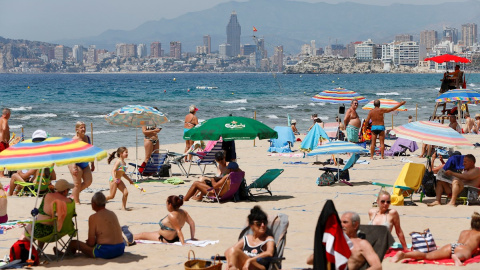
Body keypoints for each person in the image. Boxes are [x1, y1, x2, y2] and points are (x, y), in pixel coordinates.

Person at [392, 212, 480, 266]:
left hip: (451, 246)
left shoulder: (463, 231)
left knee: (427, 255)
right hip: (464, 248)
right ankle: (457, 257)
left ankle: (404, 255)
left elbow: (459, 243)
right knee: (463, 255)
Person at [306, 211, 381, 270]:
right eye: (340, 222)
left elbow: (377, 266)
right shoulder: (334, 240)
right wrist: (325, 246)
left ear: (355, 225)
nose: (341, 225)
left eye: (345, 222)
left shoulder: (362, 244)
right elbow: (309, 261)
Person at [64, 192, 125, 259]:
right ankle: (67, 254)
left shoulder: (93, 217)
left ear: (94, 204)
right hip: (120, 248)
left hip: (107, 251)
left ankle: (66, 255)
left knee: (74, 243)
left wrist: (88, 243)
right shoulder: (112, 213)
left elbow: (91, 242)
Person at [24, 179, 74, 247]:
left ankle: (24, 249)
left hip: (47, 232)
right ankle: (37, 250)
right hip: (63, 230)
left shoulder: (48, 196)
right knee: (39, 223)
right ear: (65, 191)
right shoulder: (71, 202)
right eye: (69, 190)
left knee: (31, 226)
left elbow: (43, 212)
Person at [225, 206, 275, 270]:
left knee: (234, 251)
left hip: (259, 267)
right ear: (251, 225)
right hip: (244, 267)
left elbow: (269, 253)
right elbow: (228, 251)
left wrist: (250, 260)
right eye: (259, 224)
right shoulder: (247, 238)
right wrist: (229, 261)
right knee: (232, 252)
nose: (262, 225)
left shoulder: (268, 239)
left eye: (264, 223)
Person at [68, 121, 94, 204]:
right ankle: (76, 201)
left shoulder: (87, 138)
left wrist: (92, 163)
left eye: (84, 127)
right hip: (75, 163)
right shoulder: (74, 140)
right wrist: (74, 167)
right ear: (77, 129)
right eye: (81, 127)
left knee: (88, 181)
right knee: (77, 184)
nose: (83, 129)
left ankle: (73, 195)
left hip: (85, 164)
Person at [0, 108, 11, 178]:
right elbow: (4, 129)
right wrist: (3, 139)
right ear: (7, 114)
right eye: (9, 115)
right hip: (2, 142)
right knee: (4, 157)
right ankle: (1, 174)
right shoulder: (4, 120)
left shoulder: (0, 119)